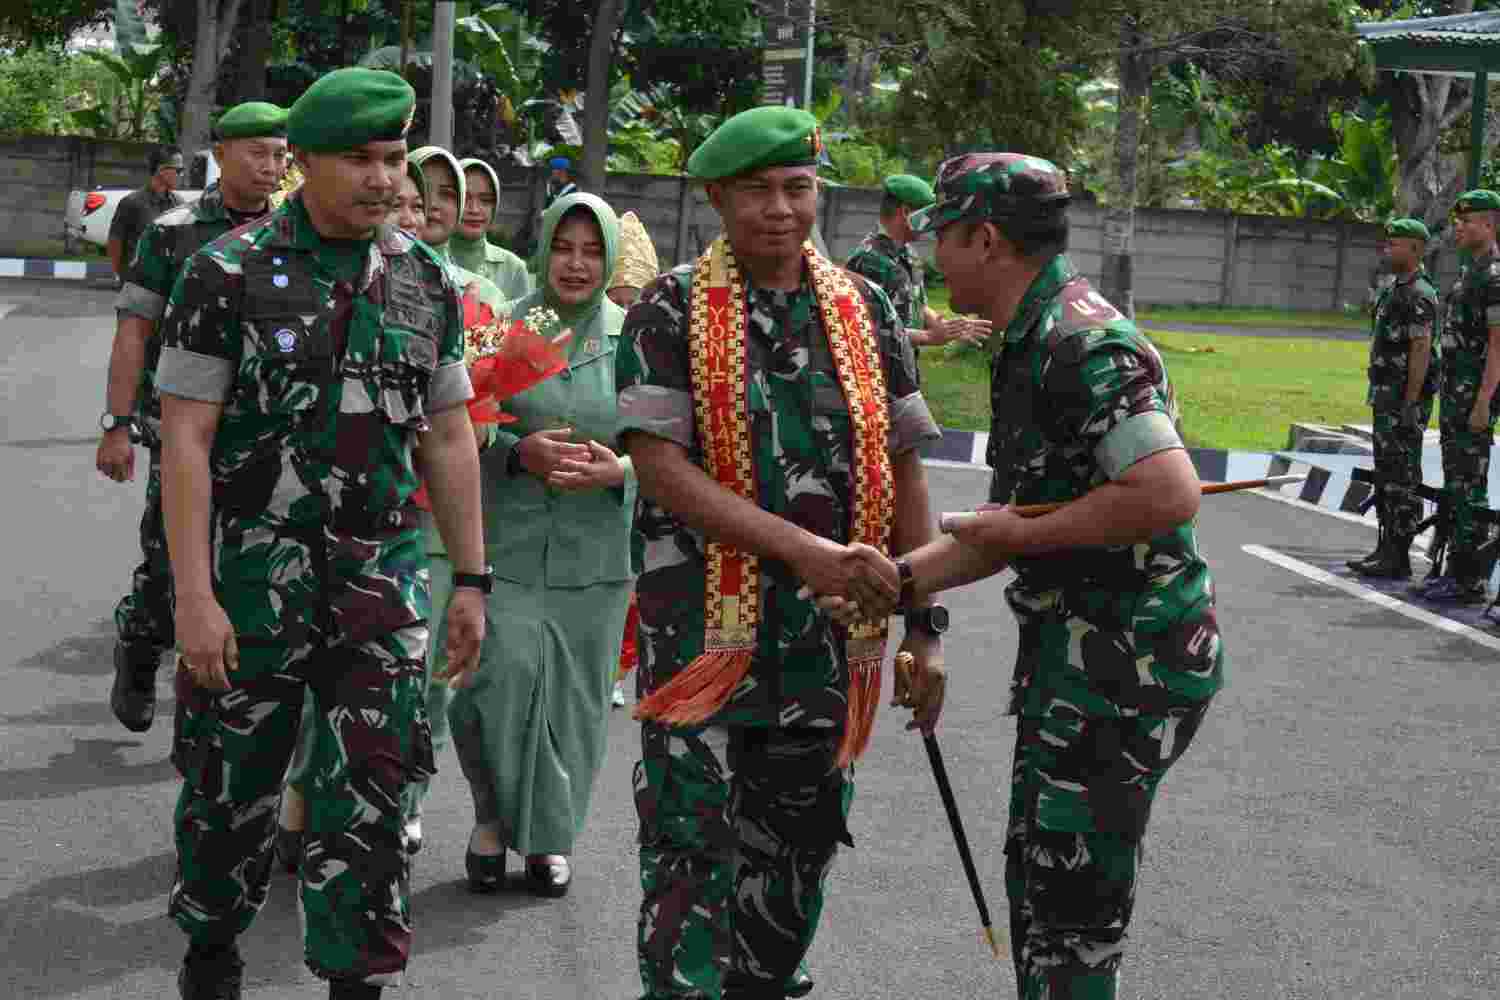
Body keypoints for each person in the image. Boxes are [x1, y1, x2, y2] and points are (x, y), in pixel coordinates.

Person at [154, 67, 487, 1000]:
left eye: (393, 159)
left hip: (381, 584)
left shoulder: (425, 278)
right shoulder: (225, 270)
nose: (384, 180)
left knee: (375, 796)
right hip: (256, 579)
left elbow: (449, 432)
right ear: (301, 161)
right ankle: (212, 953)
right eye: (360, 159)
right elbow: (186, 438)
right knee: (233, 790)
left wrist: (471, 579)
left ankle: (357, 978)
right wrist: (193, 597)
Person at [615, 105, 947, 1000]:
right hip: (703, 649)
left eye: (797, 188)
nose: (779, 209)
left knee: (796, 868)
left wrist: (927, 624)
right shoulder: (670, 307)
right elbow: (659, 470)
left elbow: (906, 469)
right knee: (691, 860)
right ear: (718, 198)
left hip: (829, 650)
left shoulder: (866, 307)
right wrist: (802, 549)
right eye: (756, 191)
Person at [883, 152, 1224, 1000]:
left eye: (944, 238)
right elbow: (1010, 529)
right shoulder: (1030, 336)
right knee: (1041, 889)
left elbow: (1169, 489)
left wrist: (1022, 537)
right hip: (1081, 660)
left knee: (1070, 920)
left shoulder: (1084, 340)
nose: (934, 258)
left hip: (1124, 668)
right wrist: (892, 583)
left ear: (987, 238)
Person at [276, 149, 505, 864]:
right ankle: (299, 800)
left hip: (428, 535)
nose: (429, 208)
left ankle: (397, 807)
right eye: (415, 194)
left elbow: (458, 430)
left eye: (443, 194)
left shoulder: (473, 296)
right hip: (317, 538)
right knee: (314, 698)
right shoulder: (285, 274)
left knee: (419, 695)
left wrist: (475, 573)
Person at [445, 191, 635, 898]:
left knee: (574, 711)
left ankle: (550, 839)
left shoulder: (635, 336)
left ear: (609, 258)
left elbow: (677, 449)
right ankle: (490, 819)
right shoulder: (510, 327)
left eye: (592, 250)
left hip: (597, 559)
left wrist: (622, 472)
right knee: (493, 689)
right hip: (510, 546)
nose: (577, 264)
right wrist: (516, 451)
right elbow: (461, 427)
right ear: (544, 247)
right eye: (564, 246)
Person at [97, 102, 289, 733]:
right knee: (168, 563)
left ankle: (220, 708)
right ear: (224, 153)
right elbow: (134, 331)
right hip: (179, 431)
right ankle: (140, 641)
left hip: (261, 435)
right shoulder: (173, 232)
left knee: (250, 569)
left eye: (282, 155)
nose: (272, 167)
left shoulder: (292, 234)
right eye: (258, 153)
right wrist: (116, 424)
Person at [1348, 218, 1439, 579]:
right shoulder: (1395, 289)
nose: (1388, 249)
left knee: (1402, 476)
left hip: (1404, 400)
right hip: (1386, 397)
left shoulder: (1420, 293)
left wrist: (1410, 403)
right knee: (1387, 475)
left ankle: (1398, 555)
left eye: (1395, 244)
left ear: (1415, 249)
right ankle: (1385, 548)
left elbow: (1421, 350)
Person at [1423, 189, 1500, 603]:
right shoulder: (1471, 272)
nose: (1459, 227)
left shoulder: (1494, 276)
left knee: (1471, 485)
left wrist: (1485, 400)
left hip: (1474, 398)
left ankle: (1469, 578)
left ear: (1487, 225)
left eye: (1467, 221)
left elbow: (1498, 344)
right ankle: (1455, 571)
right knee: (1456, 482)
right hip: (1457, 395)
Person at [604, 210, 658, 709]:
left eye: (632, 301)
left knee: (635, 587)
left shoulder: (656, 343)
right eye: (614, 300)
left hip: (644, 487)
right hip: (595, 488)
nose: (623, 311)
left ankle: (619, 668)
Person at [846, 173, 990, 354]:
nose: (931, 223)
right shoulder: (869, 261)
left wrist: (948, 328)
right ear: (906, 212)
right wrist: (929, 337)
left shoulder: (908, 253)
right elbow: (864, 329)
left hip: (903, 366)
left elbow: (916, 306)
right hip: (876, 372)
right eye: (927, 215)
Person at [454, 156, 533, 303]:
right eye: (465, 198)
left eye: (485, 200)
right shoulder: (430, 260)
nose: (475, 210)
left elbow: (521, 324)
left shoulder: (513, 269)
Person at [107, 148, 184, 284]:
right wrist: (122, 275)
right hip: (137, 284)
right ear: (161, 170)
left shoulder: (179, 203)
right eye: (178, 170)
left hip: (166, 283)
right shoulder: (131, 203)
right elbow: (115, 242)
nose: (181, 175)